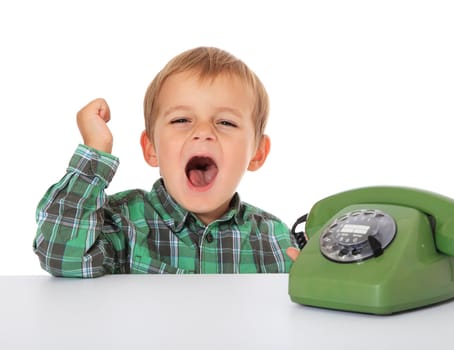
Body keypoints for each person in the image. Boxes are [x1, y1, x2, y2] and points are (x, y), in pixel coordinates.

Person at [34, 46, 299, 277]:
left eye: (225, 122)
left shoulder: (274, 238)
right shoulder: (121, 223)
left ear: (257, 153)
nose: (203, 132)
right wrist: (96, 151)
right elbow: (60, 255)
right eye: (181, 120)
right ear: (151, 149)